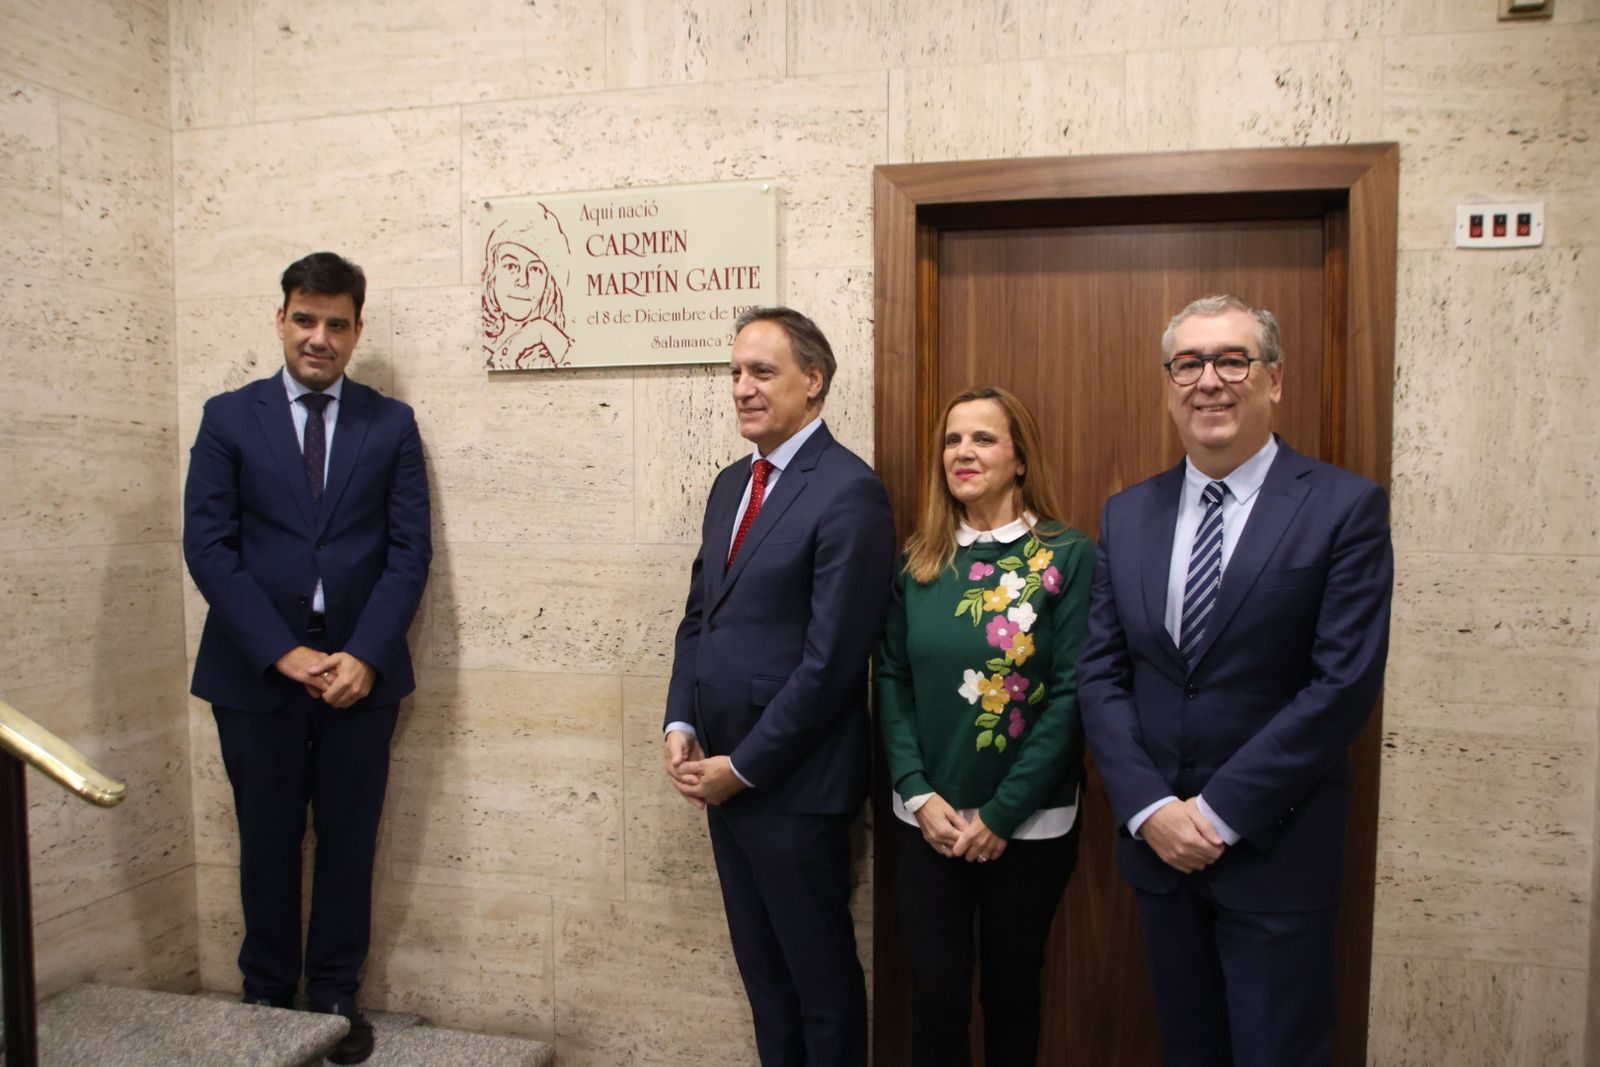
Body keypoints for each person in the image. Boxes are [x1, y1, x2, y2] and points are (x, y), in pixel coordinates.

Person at [1078, 295, 1393, 1067]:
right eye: (1188, 363)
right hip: (1158, 854)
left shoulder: (1343, 507)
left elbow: (1342, 684)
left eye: (1231, 360)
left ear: (1274, 380)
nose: (1208, 381)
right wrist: (1151, 807)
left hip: (1275, 854)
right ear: (1168, 384)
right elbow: (1101, 671)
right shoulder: (1127, 514)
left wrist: (1216, 814)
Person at [183, 252, 432, 1066]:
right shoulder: (228, 418)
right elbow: (209, 547)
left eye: (335, 323)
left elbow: (408, 553)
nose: (318, 337)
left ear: (358, 330)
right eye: (304, 319)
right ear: (281, 319)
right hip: (257, 674)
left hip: (361, 675)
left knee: (351, 839)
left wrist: (365, 653)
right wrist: (282, 651)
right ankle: (264, 994)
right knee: (266, 837)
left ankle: (333, 995)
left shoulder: (388, 424)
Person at [662, 306, 895, 1066]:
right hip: (721, 776)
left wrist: (746, 765)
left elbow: (832, 663)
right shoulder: (733, 484)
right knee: (765, 980)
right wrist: (679, 722)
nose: (741, 388)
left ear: (813, 381)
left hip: (793, 787)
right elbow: (702, 615)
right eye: (734, 372)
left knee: (820, 988)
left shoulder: (849, 490)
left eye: (761, 371)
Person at [877, 387, 1091, 1067]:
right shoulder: (918, 562)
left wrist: (1001, 813)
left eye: (983, 438)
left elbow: (1075, 693)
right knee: (935, 1001)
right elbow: (890, 678)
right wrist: (915, 789)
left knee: (1012, 997)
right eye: (952, 439)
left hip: (1028, 827)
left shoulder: (1067, 556)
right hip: (927, 822)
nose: (962, 452)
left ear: (1020, 458)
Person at [480, 207, 573, 369]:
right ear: (492, 275)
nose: (523, 281)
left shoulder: (552, 354)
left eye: (535, 269)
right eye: (510, 266)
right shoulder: (478, 348)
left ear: (548, 285)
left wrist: (541, 330)